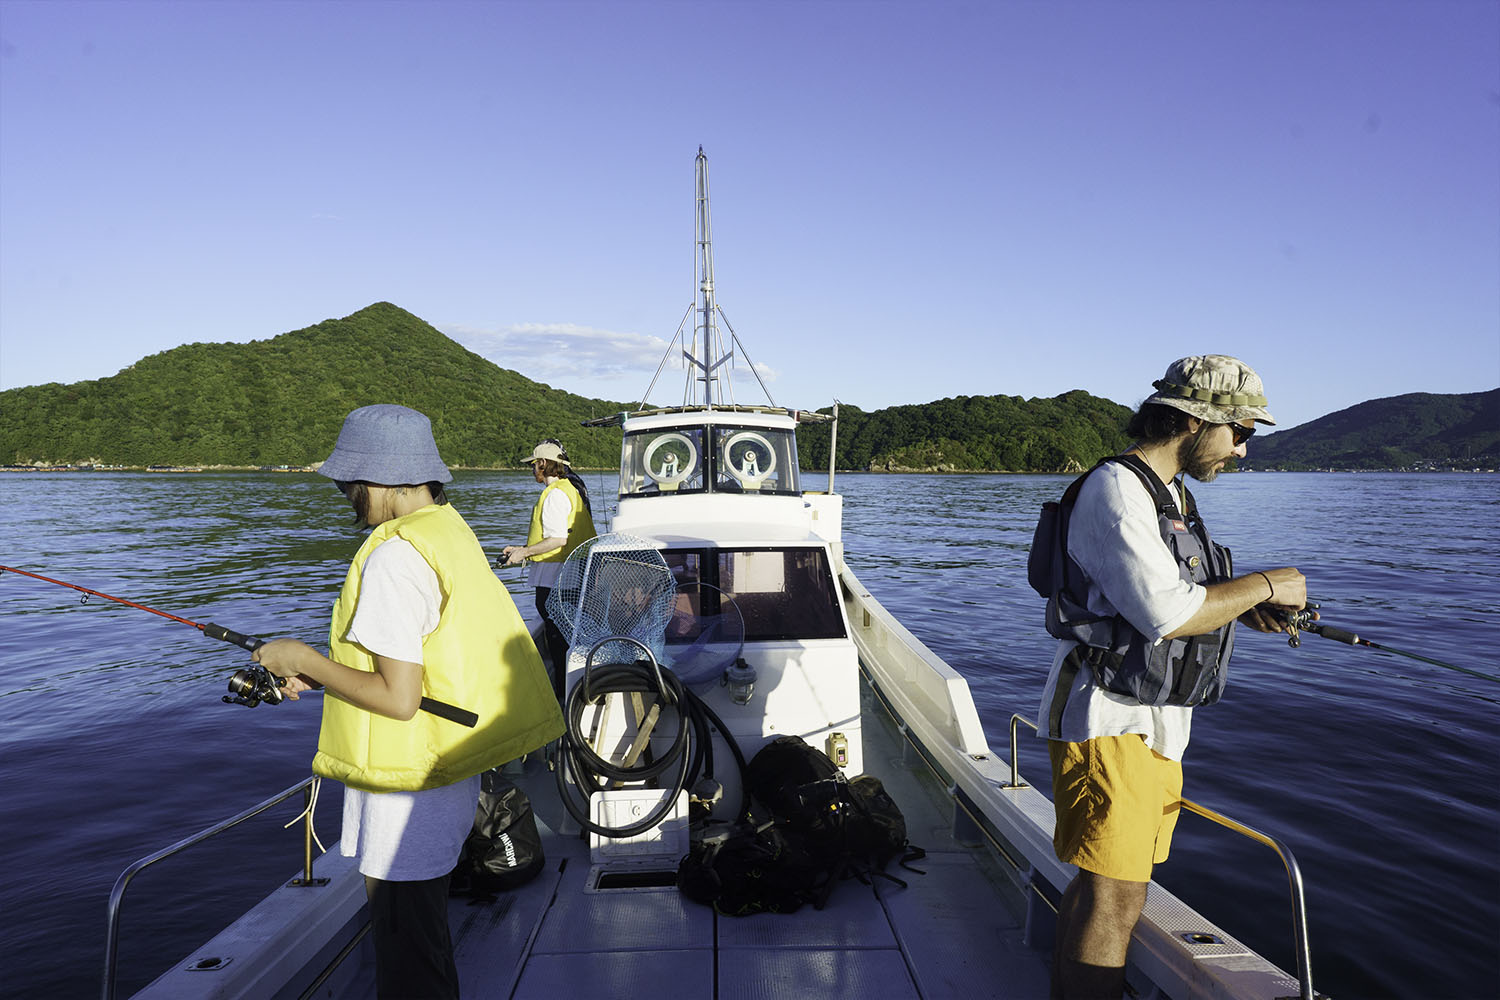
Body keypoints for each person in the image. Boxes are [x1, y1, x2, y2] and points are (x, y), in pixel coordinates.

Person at [253, 404, 564, 1000]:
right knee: (422, 946)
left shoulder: (394, 558)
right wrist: (325, 677)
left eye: (350, 484)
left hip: (406, 797)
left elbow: (399, 700)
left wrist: (303, 659)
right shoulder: (447, 529)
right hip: (443, 777)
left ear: (381, 480)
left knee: (409, 960)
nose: (346, 495)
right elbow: (423, 658)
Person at [1035, 356, 1308, 1000]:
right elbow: (1165, 611)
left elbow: (1184, 595)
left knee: (1109, 884)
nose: (1242, 450)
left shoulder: (1170, 494)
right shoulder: (1116, 490)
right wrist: (1267, 583)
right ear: (1193, 420)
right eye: (1240, 432)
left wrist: (1248, 606)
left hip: (1154, 723)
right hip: (1108, 720)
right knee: (1117, 898)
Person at [500, 439, 598, 699]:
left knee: (558, 641)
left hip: (556, 579)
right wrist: (521, 547)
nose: (532, 469)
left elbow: (557, 540)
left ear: (543, 464)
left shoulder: (555, 495)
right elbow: (560, 535)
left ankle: (564, 697)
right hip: (571, 575)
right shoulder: (570, 489)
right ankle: (570, 693)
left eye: (534, 464)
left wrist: (525, 552)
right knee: (563, 636)